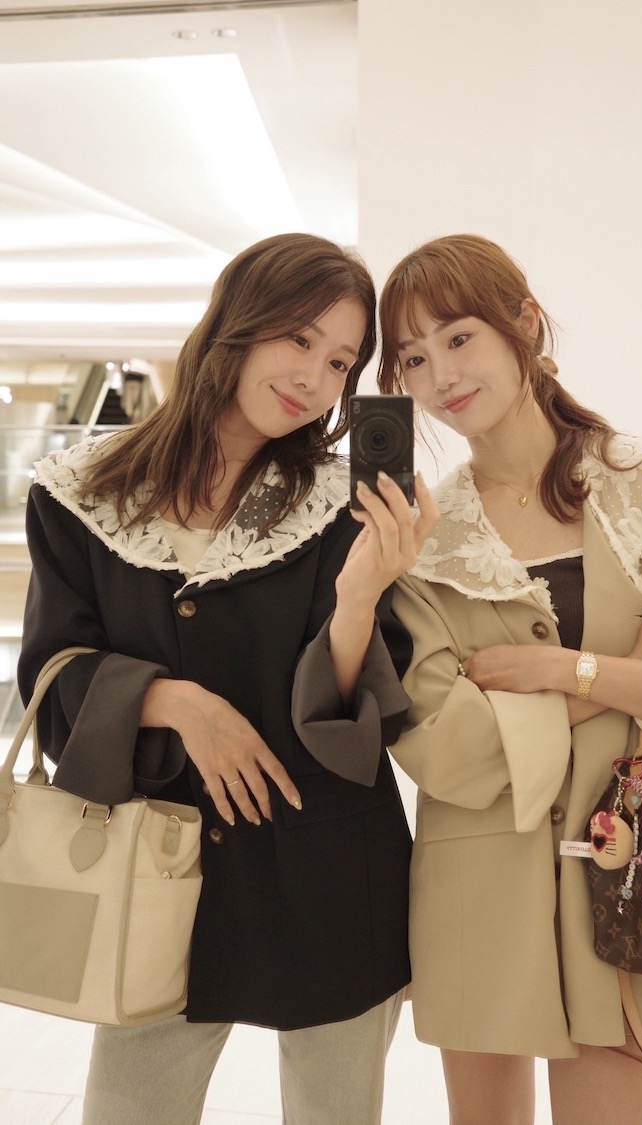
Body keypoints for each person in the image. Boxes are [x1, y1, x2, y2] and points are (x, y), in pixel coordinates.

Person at [17, 232, 437, 1125]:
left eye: (340, 361)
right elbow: (52, 685)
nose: (315, 378)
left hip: (328, 870)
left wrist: (360, 596)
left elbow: (362, 721)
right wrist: (174, 701)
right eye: (298, 338)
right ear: (236, 320)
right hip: (156, 876)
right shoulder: (79, 493)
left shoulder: (343, 505)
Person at [376, 232, 642, 1125]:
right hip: (477, 886)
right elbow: (443, 744)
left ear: (526, 325)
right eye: (414, 357)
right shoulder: (423, 542)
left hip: (635, 879)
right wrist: (630, 673)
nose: (441, 376)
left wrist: (563, 670)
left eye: (459, 337)